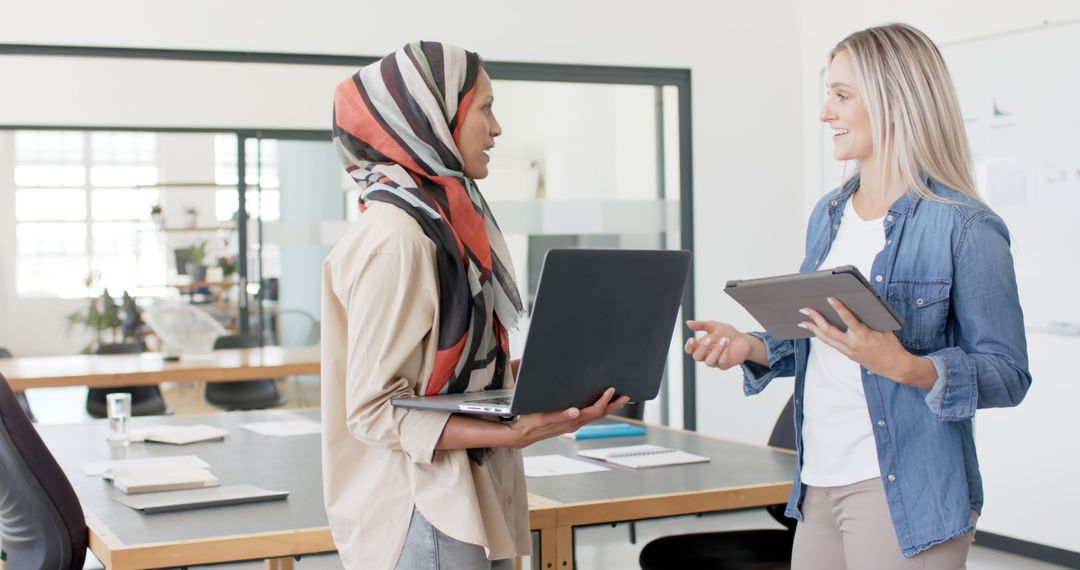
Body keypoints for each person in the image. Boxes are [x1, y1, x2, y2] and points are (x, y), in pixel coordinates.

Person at [686, 23, 1030, 570]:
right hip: (817, 477)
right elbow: (822, 338)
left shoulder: (964, 227)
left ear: (896, 101)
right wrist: (750, 348)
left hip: (905, 487)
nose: (825, 112)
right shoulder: (829, 213)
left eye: (842, 95)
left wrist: (906, 366)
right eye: (828, 95)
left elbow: (1008, 373)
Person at [320, 41, 628, 570]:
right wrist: (513, 430)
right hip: (424, 508)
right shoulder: (400, 238)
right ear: (432, 117)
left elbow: (442, 377)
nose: (497, 128)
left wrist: (543, 383)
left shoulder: (445, 226)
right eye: (485, 107)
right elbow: (374, 410)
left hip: (466, 498)